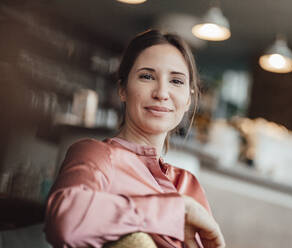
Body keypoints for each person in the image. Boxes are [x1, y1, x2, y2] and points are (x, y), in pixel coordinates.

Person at [44, 29, 225, 248]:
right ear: (122, 89)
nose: (162, 92)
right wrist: (176, 209)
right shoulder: (97, 155)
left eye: (176, 81)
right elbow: (65, 222)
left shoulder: (189, 184)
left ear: (188, 99)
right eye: (147, 76)